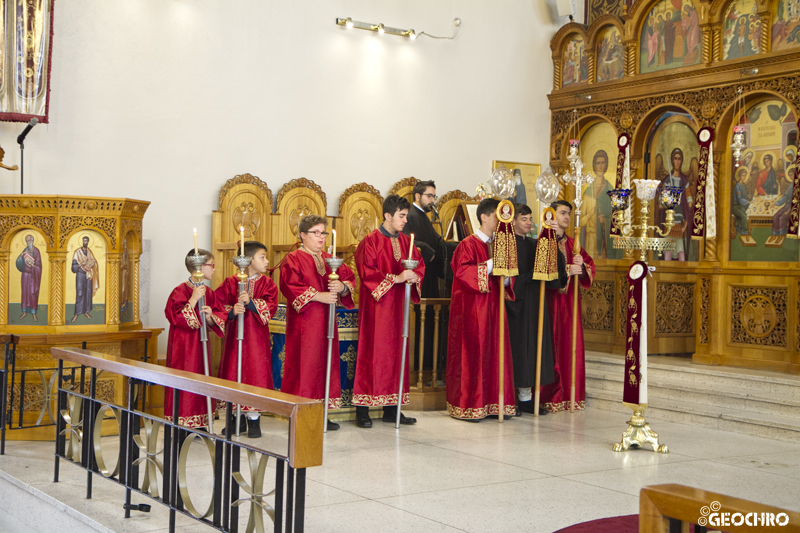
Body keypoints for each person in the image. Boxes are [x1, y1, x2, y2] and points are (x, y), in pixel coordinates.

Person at [352, 195, 425, 428]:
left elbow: (418, 265)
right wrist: (397, 278)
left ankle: (392, 409)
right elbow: (367, 272)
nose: (405, 220)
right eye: (401, 216)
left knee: (397, 354)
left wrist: (414, 277)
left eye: (406, 216)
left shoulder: (407, 242)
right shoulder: (370, 241)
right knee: (371, 353)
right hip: (377, 309)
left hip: (399, 308)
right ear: (387, 216)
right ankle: (362, 410)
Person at [280, 214, 356, 431]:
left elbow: (350, 279)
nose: (321, 237)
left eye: (323, 233)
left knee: (326, 362)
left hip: (326, 322)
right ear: (303, 235)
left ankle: (322, 411)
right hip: (305, 322)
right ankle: (301, 412)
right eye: (315, 233)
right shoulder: (293, 258)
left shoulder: (330, 259)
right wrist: (319, 296)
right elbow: (290, 285)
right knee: (305, 364)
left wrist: (341, 287)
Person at [446, 198, 516, 421]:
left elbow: (506, 281)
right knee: (474, 355)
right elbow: (463, 274)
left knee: (495, 353)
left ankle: (495, 403)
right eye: (497, 216)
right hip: (473, 311)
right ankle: (472, 404)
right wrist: (492, 264)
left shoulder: (499, 244)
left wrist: (506, 280)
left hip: (495, 310)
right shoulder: (467, 244)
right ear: (484, 217)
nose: (501, 221)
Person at [505, 205, 567, 415]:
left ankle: (527, 398)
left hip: (535, 305)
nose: (529, 223)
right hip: (515, 306)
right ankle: (510, 399)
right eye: (524, 219)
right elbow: (504, 279)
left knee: (534, 351)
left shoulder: (535, 243)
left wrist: (553, 244)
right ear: (512, 222)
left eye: (531, 219)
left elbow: (554, 271)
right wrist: (527, 277)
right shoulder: (507, 244)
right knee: (518, 351)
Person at [216, 240, 279, 438]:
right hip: (235, 340)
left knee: (255, 374)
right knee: (234, 372)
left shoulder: (267, 283)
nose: (267, 261)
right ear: (249, 260)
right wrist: (232, 311)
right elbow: (218, 305)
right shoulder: (230, 282)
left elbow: (271, 305)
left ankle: (253, 420)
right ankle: (235, 418)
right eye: (262, 257)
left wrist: (252, 303)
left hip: (256, 340)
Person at [539, 200, 595, 413]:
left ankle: (571, 396)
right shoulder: (544, 242)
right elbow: (542, 269)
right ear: (552, 215)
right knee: (550, 346)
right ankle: (549, 396)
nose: (566, 217)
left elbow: (589, 268)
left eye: (568, 214)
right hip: (551, 303)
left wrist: (581, 267)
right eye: (562, 213)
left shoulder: (574, 243)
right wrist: (567, 269)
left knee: (569, 347)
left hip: (570, 305)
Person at [164, 249, 227, 429]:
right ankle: (181, 423)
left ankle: (200, 422)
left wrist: (209, 317)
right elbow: (174, 316)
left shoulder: (209, 291)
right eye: (211, 265)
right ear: (199, 267)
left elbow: (219, 315)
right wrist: (193, 299)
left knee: (201, 377)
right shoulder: (180, 290)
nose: (214, 269)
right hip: (182, 346)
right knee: (184, 378)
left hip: (201, 346)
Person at [402, 180, 455, 374]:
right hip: (418, 281)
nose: (433, 200)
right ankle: (418, 367)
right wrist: (427, 251)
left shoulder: (424, 217)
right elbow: (409, 243)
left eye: (434, 196)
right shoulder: (411, 216)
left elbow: (438, 242)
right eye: (429, 196)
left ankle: (431, 363)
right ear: (417, 196)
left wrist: (458, 247)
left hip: (430, 279)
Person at [658, 148, 694, 261]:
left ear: (682, 161)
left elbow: (690, 204)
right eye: (675, 159)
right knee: (668, 251)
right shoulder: (667, 181)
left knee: (680, 251)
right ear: (672, 161)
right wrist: (668, 202)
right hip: (669, 223)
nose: (677, 161)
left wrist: (686, 224)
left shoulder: (684, 181)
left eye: (679, 159)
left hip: (680, 222)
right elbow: (659, 204)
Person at [71, 235, 100, 322]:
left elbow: (94, 261)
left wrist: (92, 263)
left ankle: (86, 312)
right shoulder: (77, 252)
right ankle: (76, 313)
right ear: (82, 242)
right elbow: (73, 267)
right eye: (84, 241)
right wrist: (81, 264)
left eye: (86, 241)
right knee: (80, 293)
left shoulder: (89, 252)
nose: (85, 242)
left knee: (88, 294)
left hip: (88, 275)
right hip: (80, 275)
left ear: (88, 242)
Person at [16, 234, 42, 321]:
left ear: (33, 241)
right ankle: (24, 312)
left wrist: (33, 265)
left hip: (33, 276)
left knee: (32, 293)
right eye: (27, 241)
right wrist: (21, 256)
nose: (28, 243)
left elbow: (39, 265)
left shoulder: (36, 251)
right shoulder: (25, 250)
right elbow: (19, 262)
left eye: (29, 241)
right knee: (25, 293)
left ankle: (34, 313)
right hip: (25, 275)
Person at [732, 167, 753, 242]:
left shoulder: (743, 185)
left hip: (741, 206)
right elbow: (739, 199)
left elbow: (746, 195)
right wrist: (747, 202)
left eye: (745, 175)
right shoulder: (737, 186)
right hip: (735, 206)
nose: (744, 177)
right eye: (743, 175)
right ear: (740, 176)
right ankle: (746, 233)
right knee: (744, 216)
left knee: (745, 213)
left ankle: (741, 231)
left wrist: (749, 196)